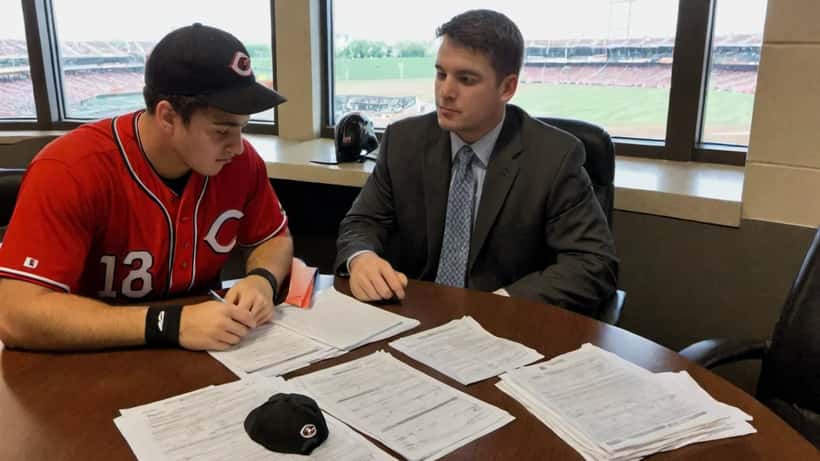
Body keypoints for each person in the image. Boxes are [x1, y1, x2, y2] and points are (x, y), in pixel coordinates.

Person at [0, 24, 293, 351]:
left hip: (204, 350)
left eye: (242, 129)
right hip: (88, 359)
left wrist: (261, 279)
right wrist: (170, 323)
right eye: (222, 131)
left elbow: (273, 239)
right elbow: (16, 313)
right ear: (167, 116)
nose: (238, 147)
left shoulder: (240, 162)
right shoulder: (69, 168)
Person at [335, 10, 618, 315]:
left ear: (507, 88)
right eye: (441, 74)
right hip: (415, 313)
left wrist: (501, 302)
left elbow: (593, 263)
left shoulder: (554, 156)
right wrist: (361, 257)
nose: (446, 91)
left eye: (466, 79)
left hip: (502, 324)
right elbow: (363, 221)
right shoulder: (404, 140)